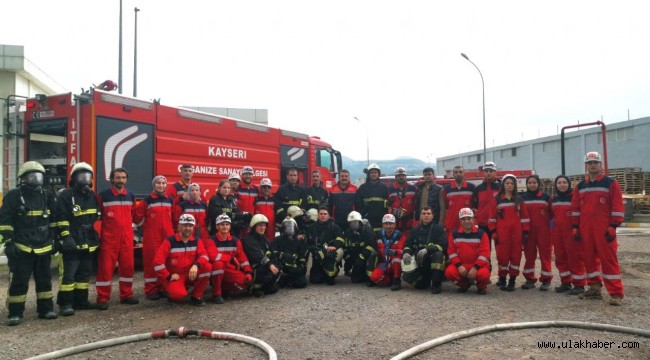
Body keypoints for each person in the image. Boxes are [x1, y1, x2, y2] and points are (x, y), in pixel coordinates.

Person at [0, 161, 58, 325]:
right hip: (22, 246)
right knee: (19, 282)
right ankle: (15, 313)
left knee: (45, 280)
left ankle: (46, 309)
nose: (36, 179)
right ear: (23, 178)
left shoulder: (47, 195)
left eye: (38, 176)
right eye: (32, 176)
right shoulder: (13, 196)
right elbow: (5, 221)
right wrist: (9, 242)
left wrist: (56, 240)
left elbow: (54, 220)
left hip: (44, 245)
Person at [571, 151, 625, 306]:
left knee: (609, 260)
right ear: (586, 166)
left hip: (604, 229)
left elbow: (617, 206)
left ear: (600, 165)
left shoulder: (610, 183)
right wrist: (575, 226)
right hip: (585, 229)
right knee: (589, 259)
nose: (592, 165)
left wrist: (613, 226)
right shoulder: (581, 186)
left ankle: (616, 293)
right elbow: (575, 208)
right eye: (589, 163)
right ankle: (594, 289)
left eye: (595, 162)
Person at [54, 162, 101, 316]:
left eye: (87, 176)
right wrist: (66, 237)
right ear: (73, 178)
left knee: (84, 274)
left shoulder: (92, 195)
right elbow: (61, 218)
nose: (85, 179)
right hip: (72, 241)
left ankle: (81, 301)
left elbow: (96, 217)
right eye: (81, 176)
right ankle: (66, 303)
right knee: (68, 275)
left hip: (88, 241)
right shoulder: (65, 196)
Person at [96, 167, 138, 310]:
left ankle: (126, 295)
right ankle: (102, 297)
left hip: (126, 238)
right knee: (105, 269)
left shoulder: (131, 196)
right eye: (118, 178)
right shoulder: (103, 196)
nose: (121, 180)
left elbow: (134, 216)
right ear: (111, 179)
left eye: (123, 178)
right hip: (109, 239)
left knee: (128, 267)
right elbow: (97, 216)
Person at [153, 214, 210, 306]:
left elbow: (204, 256)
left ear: (194, 227)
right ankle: (177, 290)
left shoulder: (196, 241)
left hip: (190, 273)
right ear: (179, 226)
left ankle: (196, 296)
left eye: (190, 226)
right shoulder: (170, 241)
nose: (188, 228)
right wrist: (168, 276)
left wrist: (196, 265)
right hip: (176, 276)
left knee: (207, 267)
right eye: (185, 225)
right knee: (178, 295)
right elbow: (157, 262)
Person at [133, 175, 175, 300]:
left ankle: (162, 288)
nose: (161, 185)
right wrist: (145, 227)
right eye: (158, 183)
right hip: (152, 236)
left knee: (166, 262)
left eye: (163, 183)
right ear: (153, 185)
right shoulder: (147, 200)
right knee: (151, 262)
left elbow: (173, 217)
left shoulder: (169, 200)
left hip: (167, 236)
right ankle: (151, 290)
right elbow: (137, 217)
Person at [489, 174, 530, 292]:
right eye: (507, 183)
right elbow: (492, 218)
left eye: (512, 183)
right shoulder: (497, 199)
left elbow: (525, 217)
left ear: (515, 185)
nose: (509, 185)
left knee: (516, 257)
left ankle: (512, 280)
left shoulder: (519, 200)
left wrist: (525, 231)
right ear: (503, 185)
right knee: (502, 257)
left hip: (517, 234)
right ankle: (502, 279)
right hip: (502, 234)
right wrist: (493, 231)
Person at [204, 214, 254, 299]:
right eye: (222, 224)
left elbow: (242, 258)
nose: (225, 227)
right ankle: (216, 294)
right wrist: (230, 258)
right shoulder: (211, 241)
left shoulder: (236, 241)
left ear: (230, 226)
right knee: (218, 264)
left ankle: (225, 289)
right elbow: (213, 256)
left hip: (231, 271)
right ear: (217, 227)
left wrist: (248, 272)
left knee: (246, 282)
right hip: (217, 271)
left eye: (227, 224)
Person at [551, 175, 586, 295]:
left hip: (572, 233)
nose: (561, 185)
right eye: (559, 182)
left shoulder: (575, 198)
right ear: (556, 185)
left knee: (575, 258)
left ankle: (579, 284)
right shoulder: (554, 199)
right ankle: (565, 282)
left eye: (564, 182)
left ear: (569, 184)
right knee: (560, 257)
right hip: (558, 233)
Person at [445, 208, 491, 294]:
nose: (466, 221)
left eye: (469, 218)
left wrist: (475, 267)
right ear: (460, 221)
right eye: (463, 219)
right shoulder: (454, 234)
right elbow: (451, 252)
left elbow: (485, 254)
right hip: (462, 265)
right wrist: (459, 266)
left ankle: (481, 286)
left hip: (478, 265)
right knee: (449, 272)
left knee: (483, 275)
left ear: (473, 219)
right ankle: (464, 283)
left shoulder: (482, 234)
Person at [402, 207, 447, 294]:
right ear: (420, 216)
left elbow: (443, 246)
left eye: (428, 213)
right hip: (419, 260)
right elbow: (407, 245)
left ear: (432, 216)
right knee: (407, 276)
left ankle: (436, 284)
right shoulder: (415, 230)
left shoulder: (439, 229)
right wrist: (406, 253)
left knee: (438, 255)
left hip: (432, 260)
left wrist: (427, 250)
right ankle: (423, 281)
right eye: (424, 213)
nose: (426, 216)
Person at [520, 174, 553, 291]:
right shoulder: (522, 198)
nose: (532, 185)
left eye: (534, 182)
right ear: (526, 184)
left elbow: (552, 214)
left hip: (544, 232)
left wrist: (552, 230)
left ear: (538, 184)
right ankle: (529, 279)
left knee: (545, 255)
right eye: (530, 183)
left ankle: (546, 280)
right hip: (528, 232)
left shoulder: (546, 198)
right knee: (529, 256)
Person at [242, 214, 280, 297]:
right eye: (260, 225)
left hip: (265, 265)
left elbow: (272, 253)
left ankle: (265, 285)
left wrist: (276, 264)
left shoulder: (265, 239)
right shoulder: (248, 240)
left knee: (273, 288)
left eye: (264, 225)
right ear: (254, 226)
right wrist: (270, 265)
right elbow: (257, 255)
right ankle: (254, 287)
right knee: (262, 269)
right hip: (254, 267)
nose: (262, 228)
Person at [307, 206, 345, 285]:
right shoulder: (312, 227)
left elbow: (341, 238)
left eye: (325, 214)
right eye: (321, 214)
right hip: (318, 254)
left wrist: (334, 246)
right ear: (318, 215)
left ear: (328, 216)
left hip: (329, 253)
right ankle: (321, 271)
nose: (323, 215)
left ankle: (334, 270)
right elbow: (308, 241)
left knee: (329, 281)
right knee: (315, 280)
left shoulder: (334, 227)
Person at [367, 214, 406, 290]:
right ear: (383, 225)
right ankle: (389, 280)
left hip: (394, 263)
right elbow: (375, 248)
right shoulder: (378, 235)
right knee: (374, 277)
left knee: (396, 259)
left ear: (394, 225)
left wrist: (395, 252)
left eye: (390, 224)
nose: (388, 226)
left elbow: (402, 251)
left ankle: (396, 280)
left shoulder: (400, 235)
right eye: (386, 224)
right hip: (384, 263)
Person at [272, 217, 309, 288]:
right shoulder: (277, 240)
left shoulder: (299, 240)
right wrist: (282, 255)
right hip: (281, 266)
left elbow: (303, 254)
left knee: (301, 283)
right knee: (277, 285)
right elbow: (272, 252)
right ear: (283, 229)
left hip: (294, 267)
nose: (289, 229)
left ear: (295, 228)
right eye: (287, 228)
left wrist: (301, 266)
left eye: (291, 227)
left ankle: (290, 280)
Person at [342, 211, 376, 283]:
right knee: (355, 280)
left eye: (355, 222)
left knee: (372, 255)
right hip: (354, 255)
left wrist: (362, 257)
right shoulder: (347, 233)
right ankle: (351, 270)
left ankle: (368, 275)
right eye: (351, 222)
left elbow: (372, 245)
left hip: (365, 256)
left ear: (359, 222)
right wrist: (347, 257)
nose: (353, 224)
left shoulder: (367, 231)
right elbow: (345, 247)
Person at [441, 166, 476, 235]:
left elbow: (475, 206)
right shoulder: (446, 189)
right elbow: (445, 208)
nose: (458, 174)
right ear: (453, 174)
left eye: (460, 172)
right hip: (451, 223)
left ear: (464, 173)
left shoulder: (472, 188)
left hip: (467, 223)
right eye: (456, 172)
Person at [355, 163, 389, 232]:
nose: (373, 174)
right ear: (369, 174)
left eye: (375, 172)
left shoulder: (384, 187)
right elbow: (358, 203)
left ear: (378, 174)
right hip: (367, 219)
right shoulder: (363, 188)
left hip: (381, 219)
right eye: (372, 172)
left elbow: (389, 203)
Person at [388, 167, 417, 234]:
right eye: (399, 176)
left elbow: (417, 204)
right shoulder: (390, 189)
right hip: (395, 221)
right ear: (395, 177)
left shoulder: (413, 188)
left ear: (406, 176)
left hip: (409, 221)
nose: (401, 177)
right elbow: (388, 204)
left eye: (403, 175)